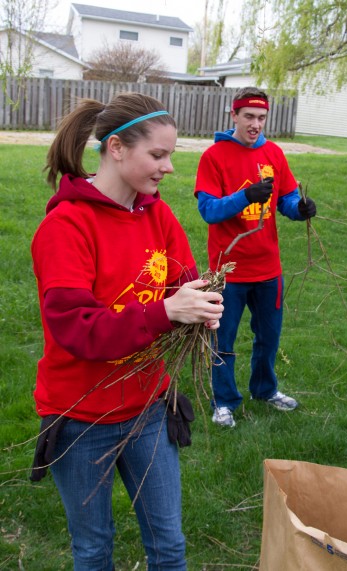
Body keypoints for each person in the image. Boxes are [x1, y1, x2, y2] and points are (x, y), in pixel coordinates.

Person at [31, 92, 224, 570]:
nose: (169, 168)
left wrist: (201, 305)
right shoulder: (66, 226)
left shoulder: (156, 214)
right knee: (94, 550)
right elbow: (79, 329)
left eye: (170, 155)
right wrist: (166, 312)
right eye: (158, 155)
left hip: (147, 411)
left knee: (169, 544)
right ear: (116, 148)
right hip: (80, 417)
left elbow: (183, 280)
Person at [194, 86, 317, 428]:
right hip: (229, 270)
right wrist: (244, 196)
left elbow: (287, 199)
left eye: (261, 118)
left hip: (268, 268)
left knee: (268, 337)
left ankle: (265, 390)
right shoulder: (214, 157)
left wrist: (300, 209)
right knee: (223, 338)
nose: (255, 124)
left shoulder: (274, 154)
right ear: (233, 115)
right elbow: (209, 210)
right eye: (248, 116)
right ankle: (224, 401)